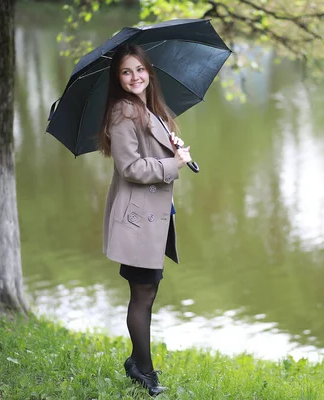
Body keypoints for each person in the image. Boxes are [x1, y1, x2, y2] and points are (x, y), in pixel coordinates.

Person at [97, 42, 191, 396]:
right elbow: (131, 167)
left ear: (149, 72)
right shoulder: (123, 112)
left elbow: (149, 153)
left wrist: (173, 146)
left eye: (139, 69)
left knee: (148, 290)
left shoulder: (150, 109)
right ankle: (144, 371)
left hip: (154, 216)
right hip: (138, 220)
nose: (134, 77)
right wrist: (173, 164)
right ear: (117, 78)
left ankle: (138, 362)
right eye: (126, 71)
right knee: (142, 292)